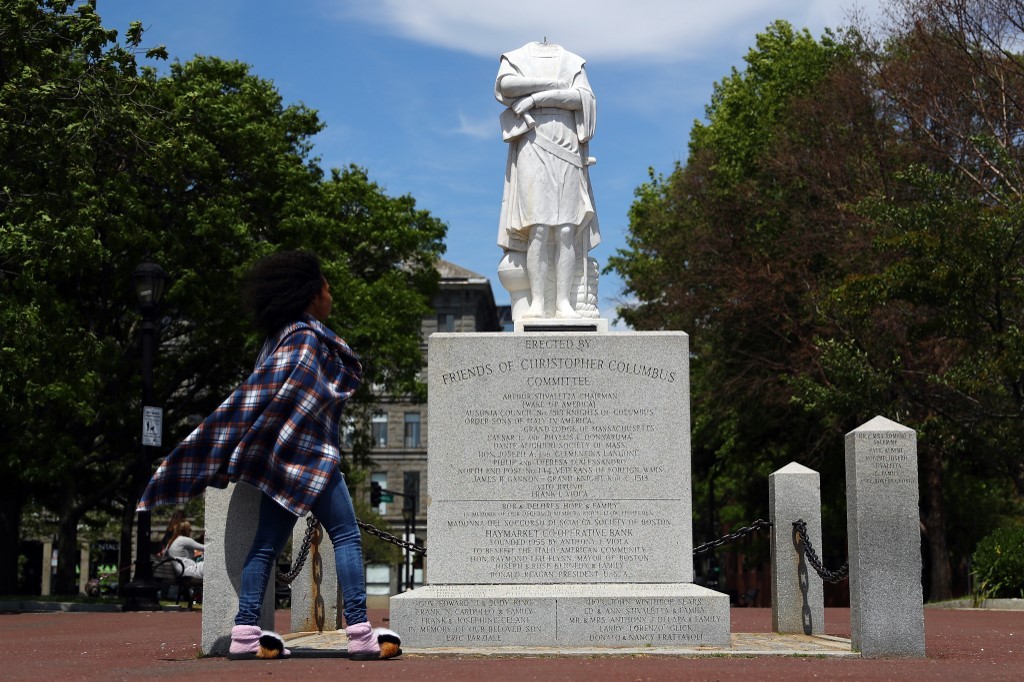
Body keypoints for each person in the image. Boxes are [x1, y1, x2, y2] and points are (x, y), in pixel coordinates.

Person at [137, 251, 400, 661]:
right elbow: (311, 398)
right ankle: (361, 634)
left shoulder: (276, 340)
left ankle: (244, 635)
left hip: (280, 464)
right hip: (315, 459)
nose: (332, 295)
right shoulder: (309, 339)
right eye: (328, 288)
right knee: (346, 536)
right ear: (312, 295)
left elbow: (259, 398)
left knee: (264, 545)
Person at [495, 40, 601, 319]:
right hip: (533, 141)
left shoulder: (573, 61)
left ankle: (563, 302)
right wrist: (553, 86)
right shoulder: (516, 57)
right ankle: (539, 303)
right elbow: (506, 87)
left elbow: (583, 99)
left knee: (566, 229)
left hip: (566, 142)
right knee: (538, 229)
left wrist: (534, 98)